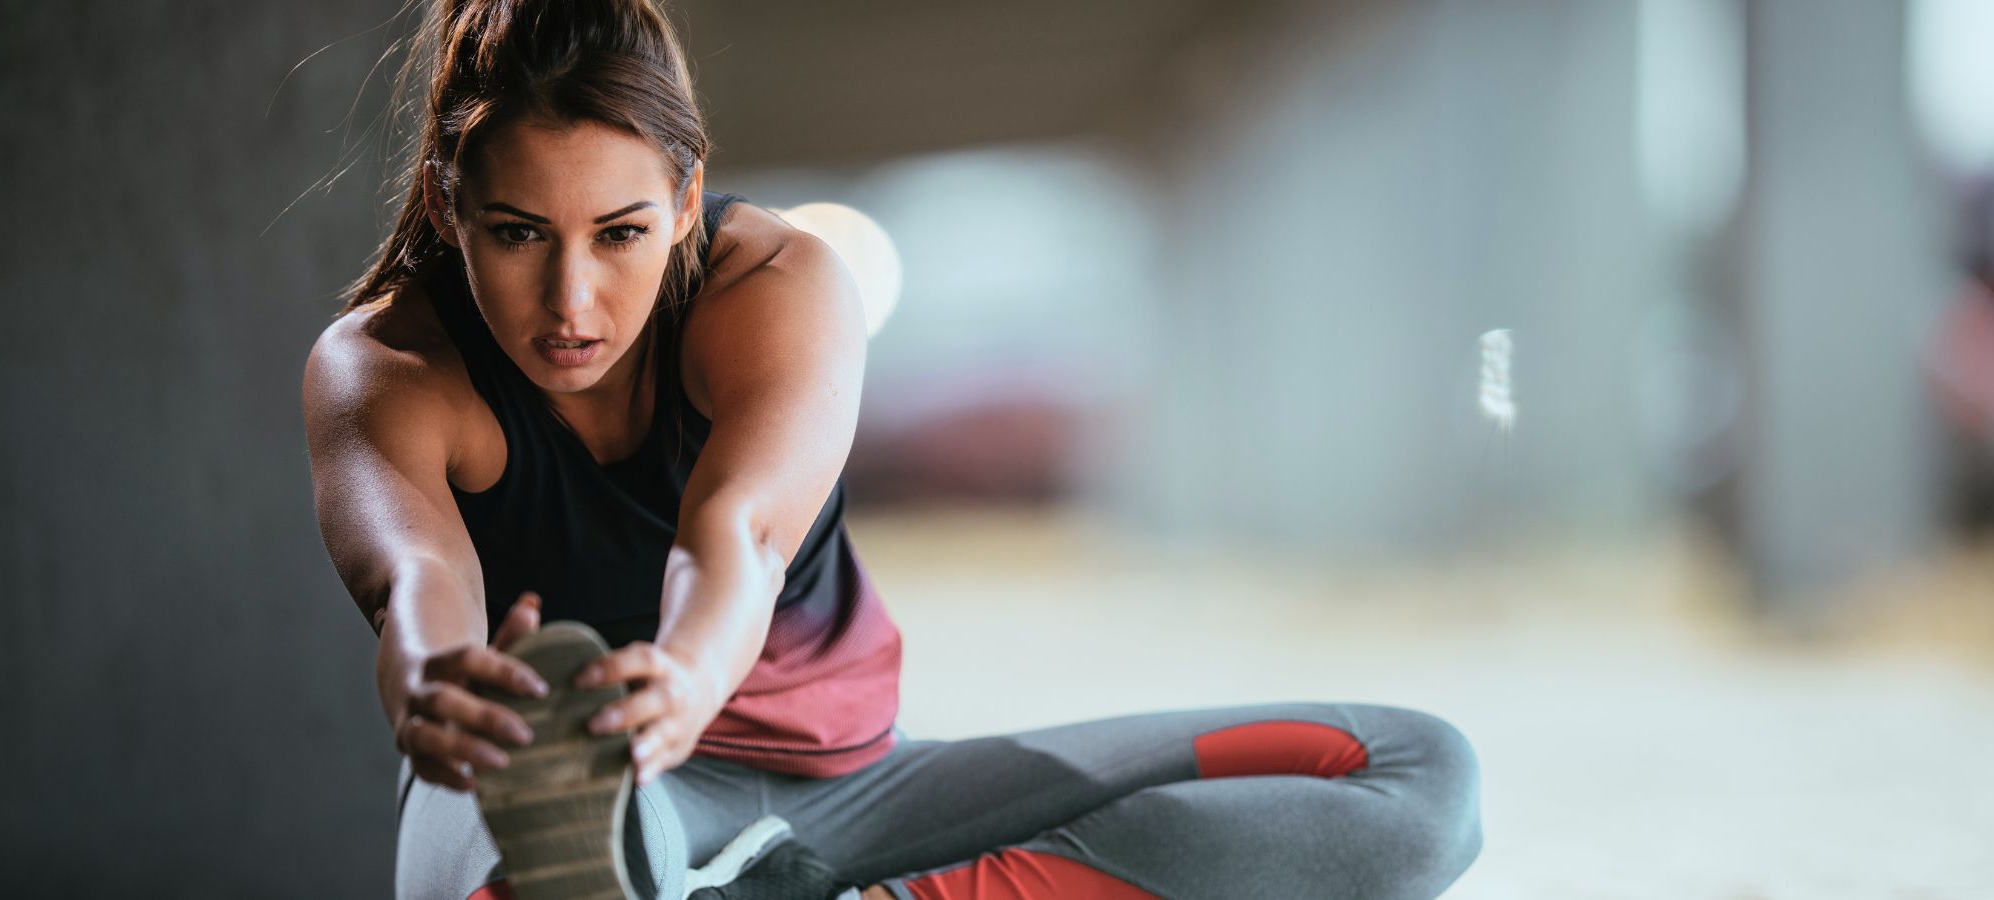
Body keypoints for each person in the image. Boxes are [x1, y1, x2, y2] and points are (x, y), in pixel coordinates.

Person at [301, 1, 1483, 898]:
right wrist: (430, 676)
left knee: (1414, 779)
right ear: (451, 208)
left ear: (686, 192)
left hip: (858, 788)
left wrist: (692, 677)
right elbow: (419, 577)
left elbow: (742, 533)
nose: (572, 298)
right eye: (516, 235)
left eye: (619, 234)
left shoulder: (771, 284)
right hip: (569, 787)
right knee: (563, 848)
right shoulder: (389, 370)